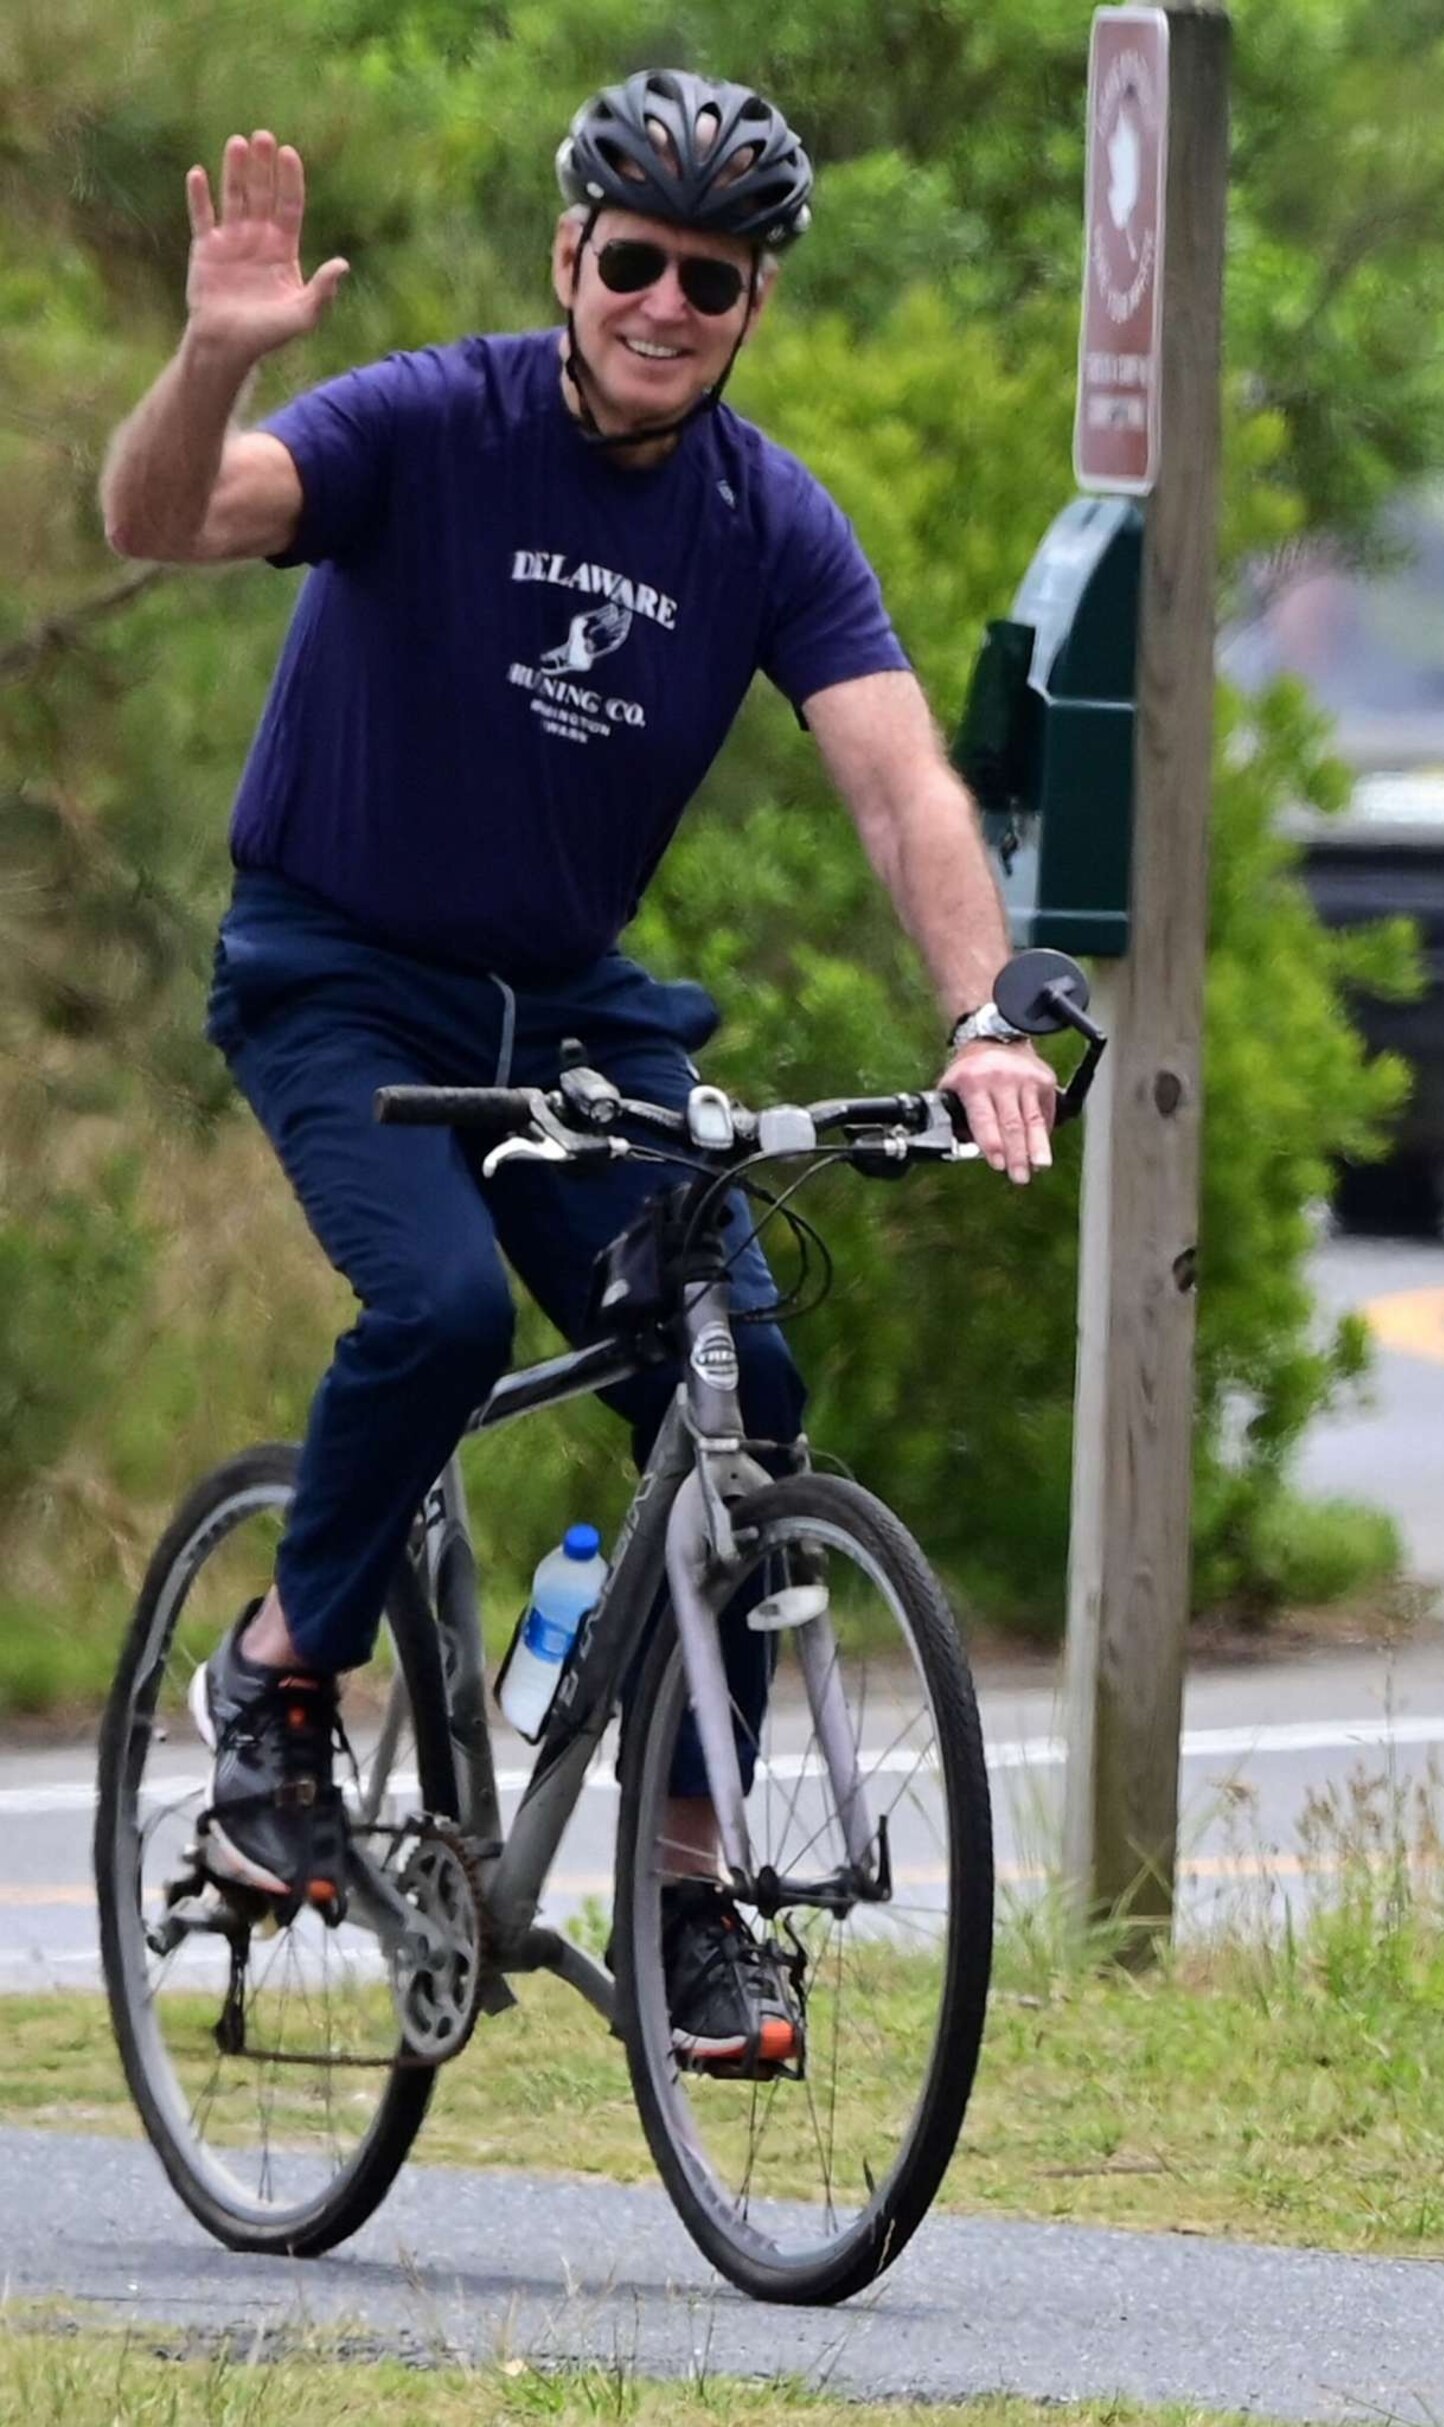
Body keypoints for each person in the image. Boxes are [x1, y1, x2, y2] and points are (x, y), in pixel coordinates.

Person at [97, 80, 1060, 2074]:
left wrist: (984, 1017)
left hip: (572, 1005)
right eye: (634, 259)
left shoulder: (765, 521)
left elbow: (901, 785)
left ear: (749, 304)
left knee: (745, 1381)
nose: (666, 302)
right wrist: (211, 357)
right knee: (440, 1304)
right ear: (572, 260)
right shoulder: (427, 426)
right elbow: (163, 517)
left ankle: (693, 1886)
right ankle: (284, 1670)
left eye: (710, 279)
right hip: (339, 976)